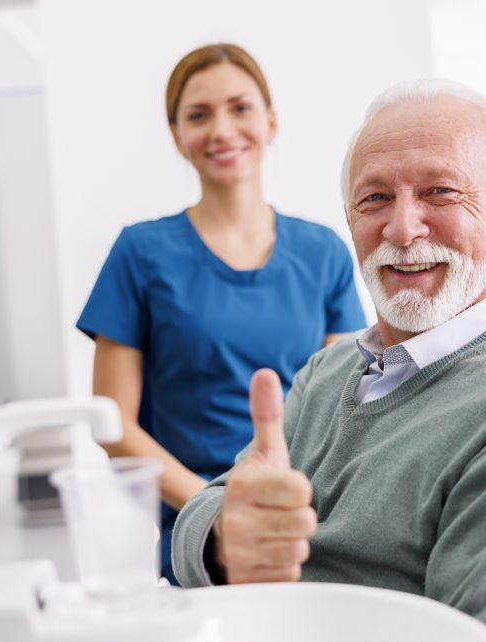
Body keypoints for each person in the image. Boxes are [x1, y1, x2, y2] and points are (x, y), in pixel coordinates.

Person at [171, 79, 486, 642]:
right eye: (374, 200)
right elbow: (198, 524)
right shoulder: (330, 370)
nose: (402, 228)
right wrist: (224, 538)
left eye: (440, 191)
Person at [77, 44, 366, 584]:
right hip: (197, 540)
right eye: (199, 115)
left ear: (271, 121)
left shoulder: (324, 251)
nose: (222, 129)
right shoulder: (140, 254)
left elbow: (343, 411)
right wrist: (218, 515)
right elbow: (113, 426)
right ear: (176, 136)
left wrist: (285, 514)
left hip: (305, 527)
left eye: (240, 107)